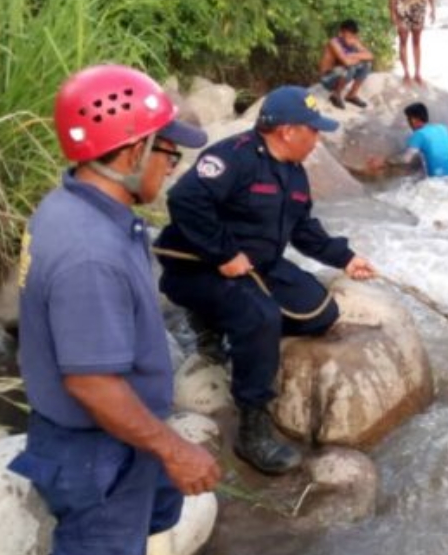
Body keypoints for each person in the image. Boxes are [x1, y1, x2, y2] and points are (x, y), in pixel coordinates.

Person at [8, 65, 230, 555]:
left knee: (157, 508)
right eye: (167, 152)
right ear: (132, 151)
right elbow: (93, 384)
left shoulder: (87, 206)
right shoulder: (89, 253)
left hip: (127, 428)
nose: (171, 166)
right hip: (96, 444)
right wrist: (174, 447)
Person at [156, 85, 377, 476]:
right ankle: (252, 427)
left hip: (258, 265)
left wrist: (346, 258)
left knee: (320, 314)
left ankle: (233, 331)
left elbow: (304, 230)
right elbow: (185, 201)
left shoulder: (293, 175)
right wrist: (222, 254)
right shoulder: (232, 157)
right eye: (313, 130)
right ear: (288, 131)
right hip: (200, 266)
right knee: (260, 317)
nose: (317, 138)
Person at [318, 18, 374, 110]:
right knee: (349, 66)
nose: (350, 40)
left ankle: (351, 95)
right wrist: (359, 57)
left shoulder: (354, 41)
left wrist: (353, 54)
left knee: (367, 64)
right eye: (348, 37)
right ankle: (336, 94)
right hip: (328, 79)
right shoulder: (334, 42)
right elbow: (346, 62)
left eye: (352, 37)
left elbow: (370, 56)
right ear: (341, 33)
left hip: (341, 75)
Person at [403, 102, 448, 177]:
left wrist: (388, 162)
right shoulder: (442, 128)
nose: (408, 122)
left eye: (408, 119)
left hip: (436, 180)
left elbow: (406, 159)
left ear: (414, 119)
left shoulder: (418, 134)